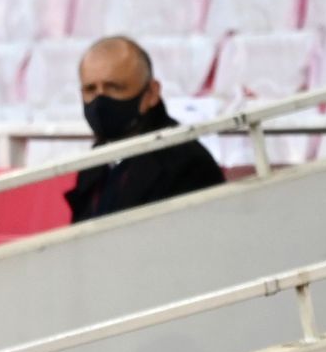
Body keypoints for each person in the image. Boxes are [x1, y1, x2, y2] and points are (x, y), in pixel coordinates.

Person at [66, 36, 225, 225]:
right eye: (90, 89)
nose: (100, 101)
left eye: (114, 87)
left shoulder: (185, 162)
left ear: (151, 93)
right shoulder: (94, 163)